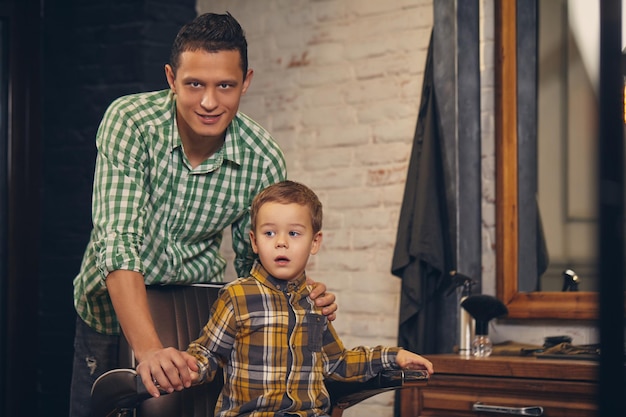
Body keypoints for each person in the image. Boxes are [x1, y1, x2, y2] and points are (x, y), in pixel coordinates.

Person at [69, 13, 337, 417]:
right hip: (111, 309)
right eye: (194, 84)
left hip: (196, 310)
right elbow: (117, 240)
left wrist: (300, 294)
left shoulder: (262, 158)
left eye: (225, 86)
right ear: (171, 78)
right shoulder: (130, 123)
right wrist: (148, 349)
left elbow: (257, 267)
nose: (209, 102)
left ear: (245, 82)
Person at [137, 180, 435, 417]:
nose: (281, 241)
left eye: (294, 233)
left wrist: (393, 356)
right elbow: (208, 356)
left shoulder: (314, 302)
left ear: (315, 241)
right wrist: (175, 370)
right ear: (254, 241)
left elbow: (337, 363)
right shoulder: (237, 296)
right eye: (269, 233)